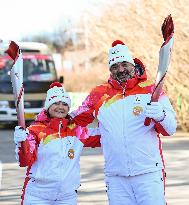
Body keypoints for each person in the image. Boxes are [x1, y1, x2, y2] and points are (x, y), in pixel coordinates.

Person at [70, 40, 177, 205]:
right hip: (116, 177)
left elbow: (170, 129)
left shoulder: (151, 89)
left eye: (124, 64)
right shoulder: (99, 94)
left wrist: (161, 115)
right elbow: (73, 120)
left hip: (148, 173)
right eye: (114, 66)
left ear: (132, 64)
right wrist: (43, 121)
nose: (120, 70)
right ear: (110, 70)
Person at [14, 82, 100, 205]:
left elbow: (105, 137)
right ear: (48, 106)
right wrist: (21, 142)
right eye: (56, 103)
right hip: (38, 196)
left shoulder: (77, 131)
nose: (60, 107)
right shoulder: (35, 130)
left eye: (64, 104)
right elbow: (24, 160)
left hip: (66, 197)